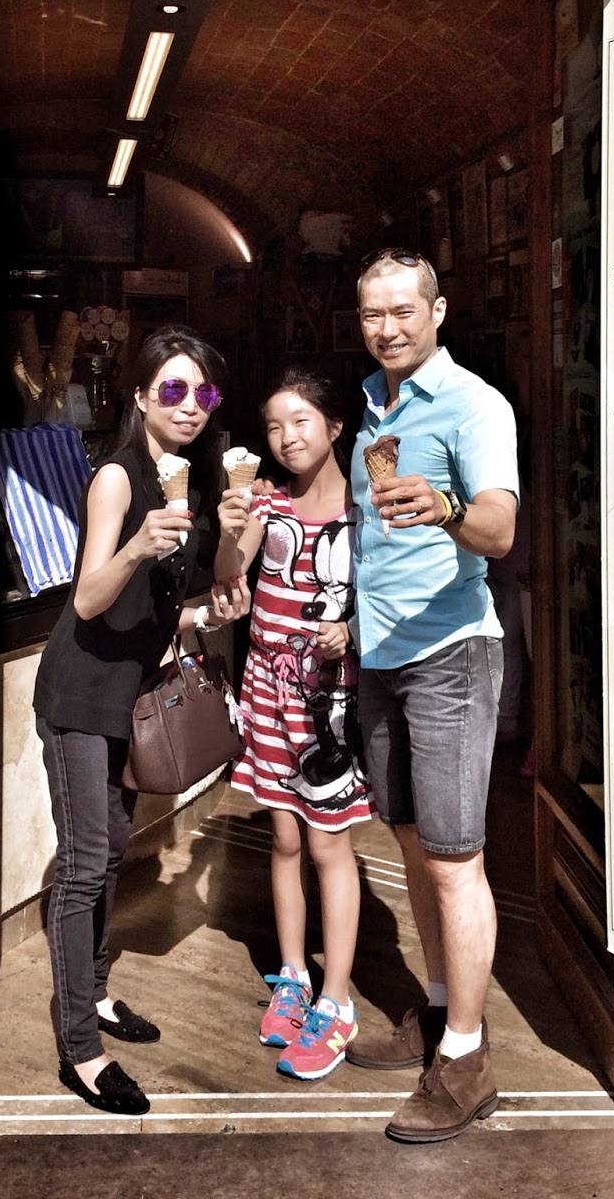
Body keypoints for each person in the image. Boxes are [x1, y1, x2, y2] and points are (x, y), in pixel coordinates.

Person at [33, 326, 250, 1119]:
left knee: (110, 852)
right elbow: (90, 598)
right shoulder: (118, 480)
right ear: (139, 396)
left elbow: (174, 608)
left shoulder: (187, 485)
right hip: (78, 696)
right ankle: (79, 1051)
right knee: (84, 862)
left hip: (129, 697)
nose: (189, 406)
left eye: (204, 393)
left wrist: (218, 601)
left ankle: (92, 993)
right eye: (173, 389)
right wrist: (135, 548)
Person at [344, 248, 518, 1145]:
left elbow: (499, 529)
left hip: (449, 655)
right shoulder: (372, 406)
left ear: (437, 311)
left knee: (454, 859)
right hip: (381, 656)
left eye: (403, 311)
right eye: (373, 314)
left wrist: (446, 507)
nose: (387, 329)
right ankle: (441, 1008)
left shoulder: (473, 404)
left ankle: (466, 1061)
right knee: (411, 845)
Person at [215, 367, 372, 1082]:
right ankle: (292, 977)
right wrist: (229, 532)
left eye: (301, 421)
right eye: (274, 426)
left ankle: (336, 1000)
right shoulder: (266, 501)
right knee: (282, 838)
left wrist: (354, 629)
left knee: (327, 844)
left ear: (335, 427)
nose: (286, 437)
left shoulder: (366, 507)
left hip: (329, 703)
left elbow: (388, 592)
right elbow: (230, 577)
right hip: (267, 690)